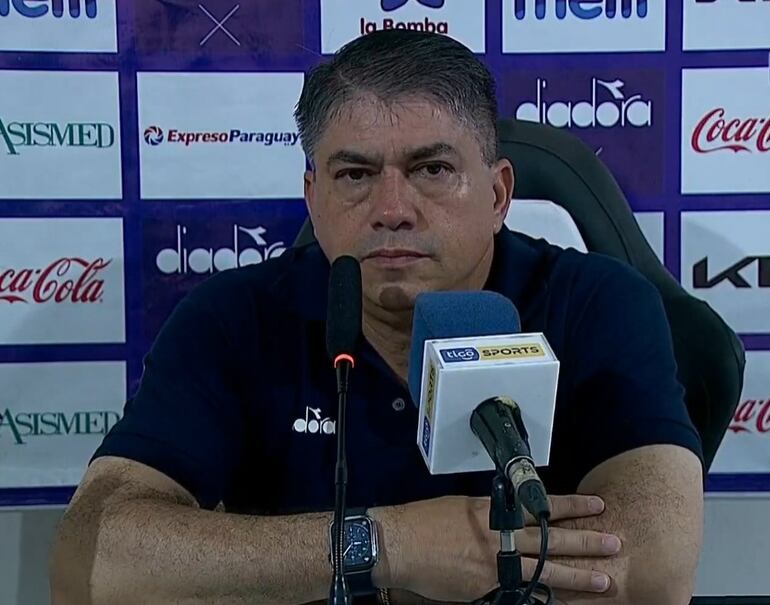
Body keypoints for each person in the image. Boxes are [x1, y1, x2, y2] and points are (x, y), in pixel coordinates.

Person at [49, 29, 704, 605]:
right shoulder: (231, 318)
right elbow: (88, 565)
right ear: (314, 195)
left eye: (432, 168)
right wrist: (387, 544)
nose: (393, 207)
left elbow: (653, 569)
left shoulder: (597, 302)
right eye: (356, 174)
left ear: (499, 192)